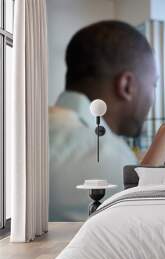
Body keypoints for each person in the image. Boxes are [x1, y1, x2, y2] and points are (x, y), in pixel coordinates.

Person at [49, 21, 157, 221]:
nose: (153, 95)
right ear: (127, 86)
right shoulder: (111, 158)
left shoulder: (29, 127)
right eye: (153, 84)